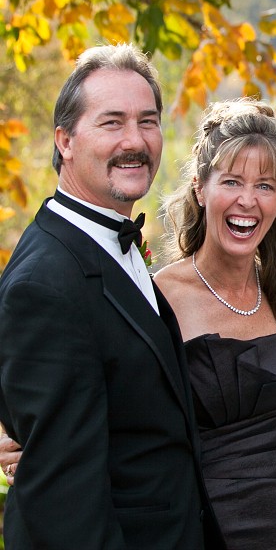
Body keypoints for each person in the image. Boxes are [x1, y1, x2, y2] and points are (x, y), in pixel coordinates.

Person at [0, 44, 223, 549]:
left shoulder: (108, 243)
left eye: (147, 122)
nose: (134, 141)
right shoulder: (46, 283)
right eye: (112, 123)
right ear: (66, 140)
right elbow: (64, 501)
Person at [153, 99, 276, 549]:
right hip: (209, 530)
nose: (247, 201)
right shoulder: (158, 297)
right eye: (231, 181)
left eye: (265, 186)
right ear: (200, 188)